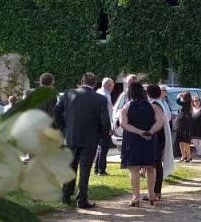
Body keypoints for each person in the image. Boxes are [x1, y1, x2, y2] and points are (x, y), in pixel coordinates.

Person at [53, 72, 110, 209]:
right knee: (85, 169)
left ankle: (65, 196)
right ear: (95, 84)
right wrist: (102, 135)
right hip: (90, 138)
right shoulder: (100, 99)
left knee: (70, 167)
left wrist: (63, 128)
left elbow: (56, 111)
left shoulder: (69, 94)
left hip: (70, 136)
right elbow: (105, 121)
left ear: (81, 81)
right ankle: (82, 199)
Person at [118, 80, 164, 206]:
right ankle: (151, 194)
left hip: (133, 140)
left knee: (134, 169)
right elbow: (160, 121)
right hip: (149, 139)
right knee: (151, 167)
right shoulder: (153, 106)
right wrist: (149, 132)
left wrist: (139, 132)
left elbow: (123, 123)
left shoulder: (126, 107)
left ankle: (135, 197)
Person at [147, 83, 174, 200]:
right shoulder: (161, 103)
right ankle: (156, 190)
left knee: (156, 164)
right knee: (157, 163)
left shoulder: (154, 104)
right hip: (162, 135)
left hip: (157, 135)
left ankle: (156, 191)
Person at [94, 76, 116, 175]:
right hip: (104, 125)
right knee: (104, 148)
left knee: (100, 148)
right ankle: (101, 170)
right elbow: (106, 113)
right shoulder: (105, 95)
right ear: (108, 85)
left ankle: (97, 169)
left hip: (97, 124)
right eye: (112, 85)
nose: (113, 88)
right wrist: (109, 128)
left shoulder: (98, 92)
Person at [175, 89, 195, 161]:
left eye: (183, 95)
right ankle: (183, 155)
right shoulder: (183, 104)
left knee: (185, 140)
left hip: (185, 124)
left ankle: (189, 156)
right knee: (180, 140)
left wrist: (178, 96)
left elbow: (177, 101)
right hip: (180, 123)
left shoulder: (187, 102)